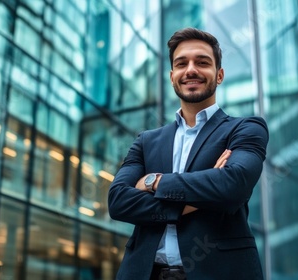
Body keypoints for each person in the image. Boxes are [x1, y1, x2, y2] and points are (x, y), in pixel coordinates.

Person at [108, 27, 268, 280]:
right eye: (181, 64)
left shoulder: (246, 128)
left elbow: (233, 186)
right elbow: (117, 202)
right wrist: (202, 194)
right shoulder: (146, 141)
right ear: (172, 76)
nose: (191, 70)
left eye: (202, 62)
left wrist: (154, 181)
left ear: (220, 75)